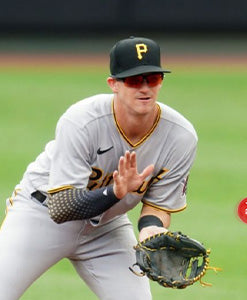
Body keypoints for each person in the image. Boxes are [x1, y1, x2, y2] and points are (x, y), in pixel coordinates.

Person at [0, 36, 198, 299]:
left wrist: (152, 230)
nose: (145, 87)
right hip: (40, 215)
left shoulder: (180, 136)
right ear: (113, 84)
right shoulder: (82, 120)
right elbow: (60, 208)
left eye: (153, 78)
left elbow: (157, 205)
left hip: (106, 228)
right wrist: (115, 193)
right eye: (134, 80)